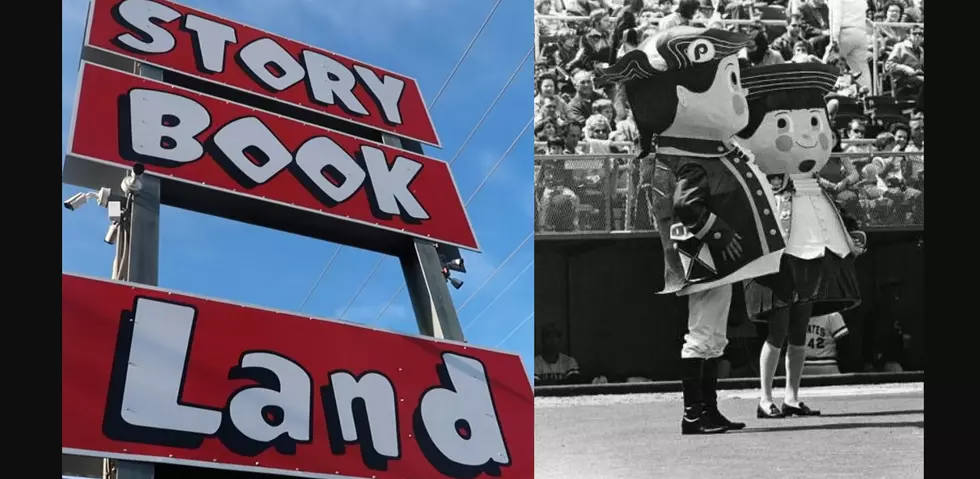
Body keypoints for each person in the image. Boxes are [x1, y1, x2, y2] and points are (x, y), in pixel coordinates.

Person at [597, 27, 786, 435]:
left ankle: (708, 409)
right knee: (702, 332)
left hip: (713, 255)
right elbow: (686, 205)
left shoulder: (697, 149)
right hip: (704, 254)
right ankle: (693, 412)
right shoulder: (684, 154)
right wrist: (720, 232)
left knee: (713, 333)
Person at [735, 62, 867, 419]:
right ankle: (765, 398)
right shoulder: (771, 185)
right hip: (782, 257)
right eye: (783, 124)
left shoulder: (815, 184)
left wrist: (850, 234)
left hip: (814, 254)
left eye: (814, 122)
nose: (808, 136)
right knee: (776, 332)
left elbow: (834, 205)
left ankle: (792, 396)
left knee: (798, 332)